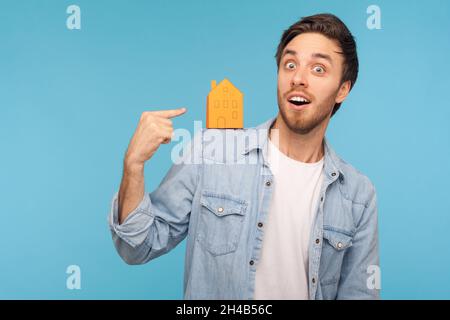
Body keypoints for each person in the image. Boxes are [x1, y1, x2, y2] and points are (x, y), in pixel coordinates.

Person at [108, 13, 380, 300]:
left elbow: (359, 294)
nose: (298, 78)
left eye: (318, 69)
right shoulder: (211, 152)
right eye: (290, 64)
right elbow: (136, 246)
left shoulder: (358, 195)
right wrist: (133, 166)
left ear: (342, 90)